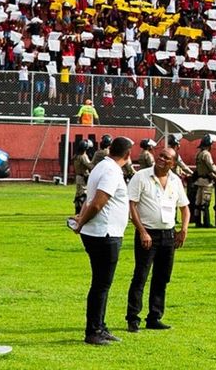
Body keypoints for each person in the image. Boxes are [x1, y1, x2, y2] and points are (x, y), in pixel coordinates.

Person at [71, 135, 133, 345]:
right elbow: (97, 203)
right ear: (127, 154)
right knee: (101, 284)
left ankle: (100, 325)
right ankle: (94, 330)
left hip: (101, 231)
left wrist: (81, 218)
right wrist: (81, 223)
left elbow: (91, 201)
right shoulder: (112, 171)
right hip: (104, 233)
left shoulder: (100, 166)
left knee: (101, 284)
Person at [125, 147, 190, 332]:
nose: (161, 159)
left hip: (168, 234)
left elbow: (184, 208)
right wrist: (142, 231)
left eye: (167, 157)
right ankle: (133, 317)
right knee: (141, 276)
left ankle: (154, 316)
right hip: (148, 234)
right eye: (160, 155)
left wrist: (183, 229)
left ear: (173, 163)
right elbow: (132, 205)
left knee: (162, 277)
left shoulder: (175, 181)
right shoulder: (142, 176)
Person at [192, 135, 216, 228]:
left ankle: (197, 222)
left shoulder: (198, 154)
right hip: (206, 182)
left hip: (199, 180)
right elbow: (212, 167)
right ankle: (206, 222)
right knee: (205, 203)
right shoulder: (206, 154)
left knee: (198, 202)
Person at [73, 140, 94, 215]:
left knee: (78, 194)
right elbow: (89, 165)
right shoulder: (83, 157)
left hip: (78, 177)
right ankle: (81, 212)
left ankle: (77, 211)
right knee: (83, 195)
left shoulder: (76, 156)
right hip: (83, 177)